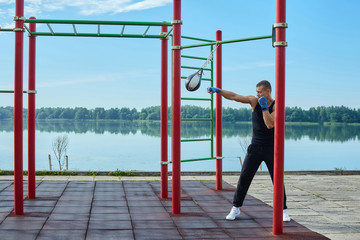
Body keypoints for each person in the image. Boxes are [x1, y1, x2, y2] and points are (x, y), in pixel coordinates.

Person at [207, 80, 290, 222]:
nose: (257, 94)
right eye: (256, 91)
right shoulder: (254, 101)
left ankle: (283, 210)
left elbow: (270, 124)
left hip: (271, 148)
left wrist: (264, 108)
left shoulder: (277, 106)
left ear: (268, 91)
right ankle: (235, 208)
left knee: (277, 179)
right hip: (255, 147)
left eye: (260, 91)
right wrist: (219, 91)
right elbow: (234, 96)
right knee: (244, 178)